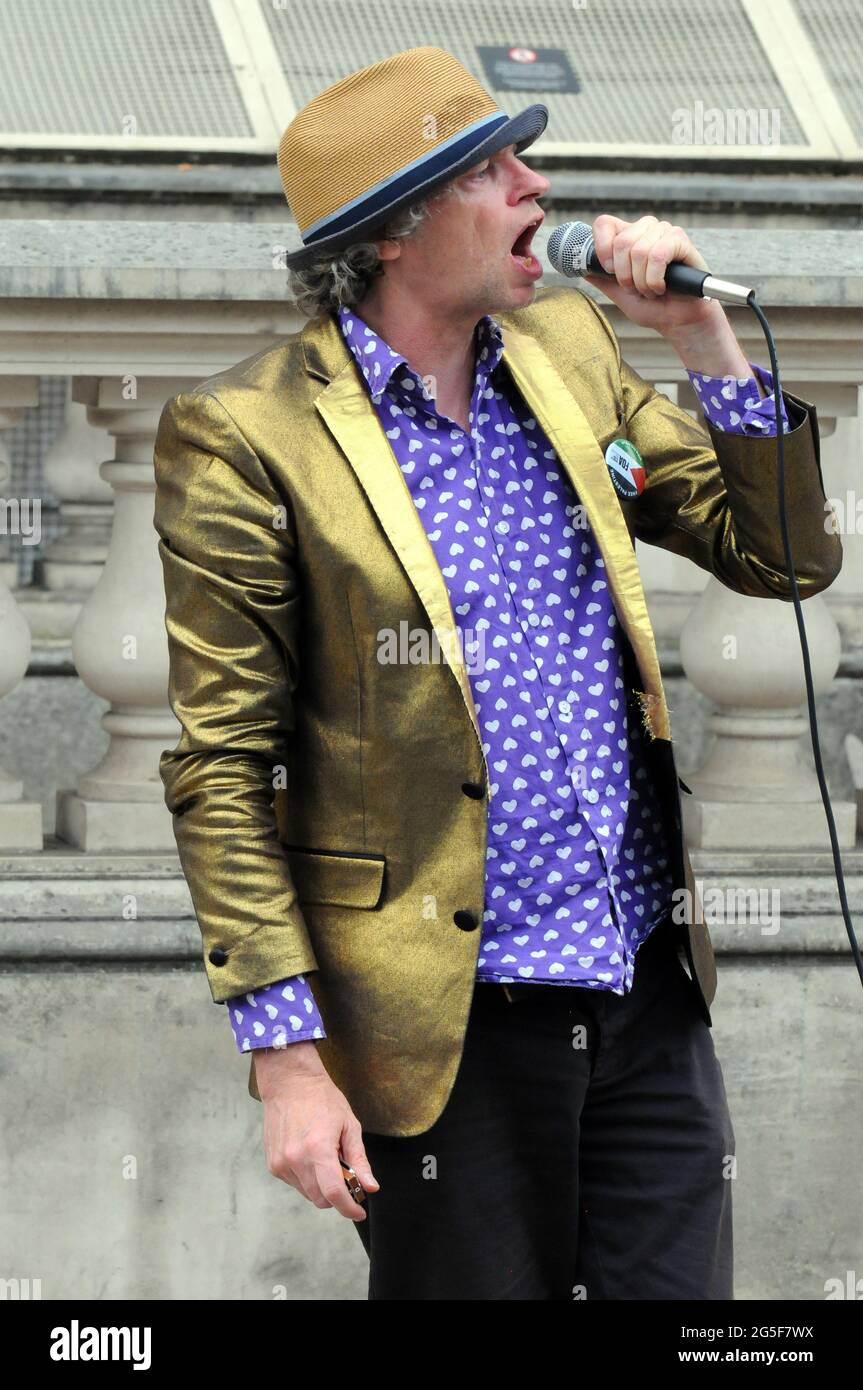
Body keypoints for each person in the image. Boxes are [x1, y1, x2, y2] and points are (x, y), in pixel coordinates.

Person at [152, 46, 842, 1300]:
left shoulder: (568, 346)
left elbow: (781, 558)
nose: (535, 184)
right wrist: (286, 1058)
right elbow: (220, 769)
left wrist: (699, 334)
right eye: (490, 166)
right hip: (444, 1028)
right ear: (394, 234)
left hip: (641, 990)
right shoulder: (247, 438)